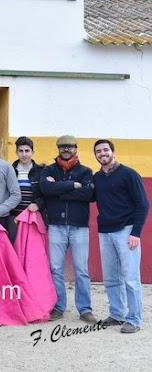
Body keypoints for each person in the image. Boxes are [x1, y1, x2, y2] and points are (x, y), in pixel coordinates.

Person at [93, 139, 149, 334]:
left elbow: (143, 205)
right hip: (105, 232)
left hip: (127, 231)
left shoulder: (129, 174)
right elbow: (85, 193)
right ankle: (117, 314)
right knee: (110, 278)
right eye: (98, 151)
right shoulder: (97, 177)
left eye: (105, 150)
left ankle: (134, 319)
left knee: (131, 278)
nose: (102, 154)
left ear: (113, 152)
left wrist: (136, 233)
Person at [40, 135, 96, 323]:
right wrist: (72, 186)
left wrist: (60, 192)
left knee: (82, 270)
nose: (66, 149)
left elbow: (88, 194)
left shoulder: (86, 171)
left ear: (76, 148)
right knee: (56, 269)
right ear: (58, 149)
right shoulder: (49, 169)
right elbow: (46, 189)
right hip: (56, 226)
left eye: (70, 146)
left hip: (79, 227)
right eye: (62, 146)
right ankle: (58, 306)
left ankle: (85, 309)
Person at [9, 136, 46, 244]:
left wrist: (38, 204)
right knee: (14, 249)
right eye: (21, 151)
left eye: (27, 151)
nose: (24, 154)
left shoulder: (41, 171)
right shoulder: (9, 170)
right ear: (16, 152)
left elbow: (48, 194)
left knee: (31, 252)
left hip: (32, 217)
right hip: (13, 217)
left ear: (32, 152)